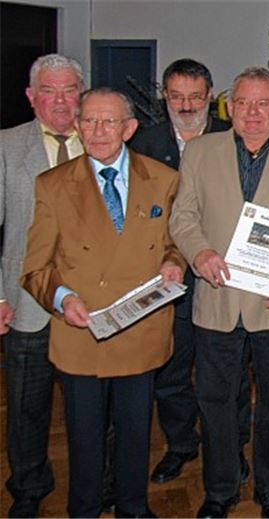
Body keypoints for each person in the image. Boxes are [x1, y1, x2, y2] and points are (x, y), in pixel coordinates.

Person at [20, 86, 186, 518]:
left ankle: (133, 507)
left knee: (135, 434)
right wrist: (63, 298)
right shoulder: (53, 185)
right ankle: (84, 510)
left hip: (141, 329)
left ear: (129, 128)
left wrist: (174, 263)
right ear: (77, 126)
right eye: (89, 121)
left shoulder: (163, 179)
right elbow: (35, 268)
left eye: (108, 121)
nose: (97, 131)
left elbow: (176, 243)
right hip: (82, 333)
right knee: (84, 439)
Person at [169, 67, 269, 519]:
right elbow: (182, 217)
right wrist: (199, 253)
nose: (252, 113)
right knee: (214, 403)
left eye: (262, 103)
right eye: (243, 103)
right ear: (228, 107)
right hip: (217, 300)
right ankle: (219, 489)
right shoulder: (200, 151)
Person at [129, 57, 252, 487]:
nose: (186, 106)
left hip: (226, 276)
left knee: (231, 373)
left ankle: (232, 448)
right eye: (177, 96)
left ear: (210, 96)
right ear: (165, 96)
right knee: (172, 371)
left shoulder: (235, 138)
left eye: (195, 97)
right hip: (169, 277)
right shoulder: (144, 145)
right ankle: (181, 444)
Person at [0, 53, 83, 518]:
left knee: (91, 404)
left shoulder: (102, 138)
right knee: (26, 404)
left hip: (90, 301)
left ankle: (98, 481)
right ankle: (28, 487)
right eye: (49, 91)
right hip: (26, 301)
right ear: (32, 97)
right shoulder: (6, 146)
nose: (60, 101)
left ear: (81, 94)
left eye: (69, 90)